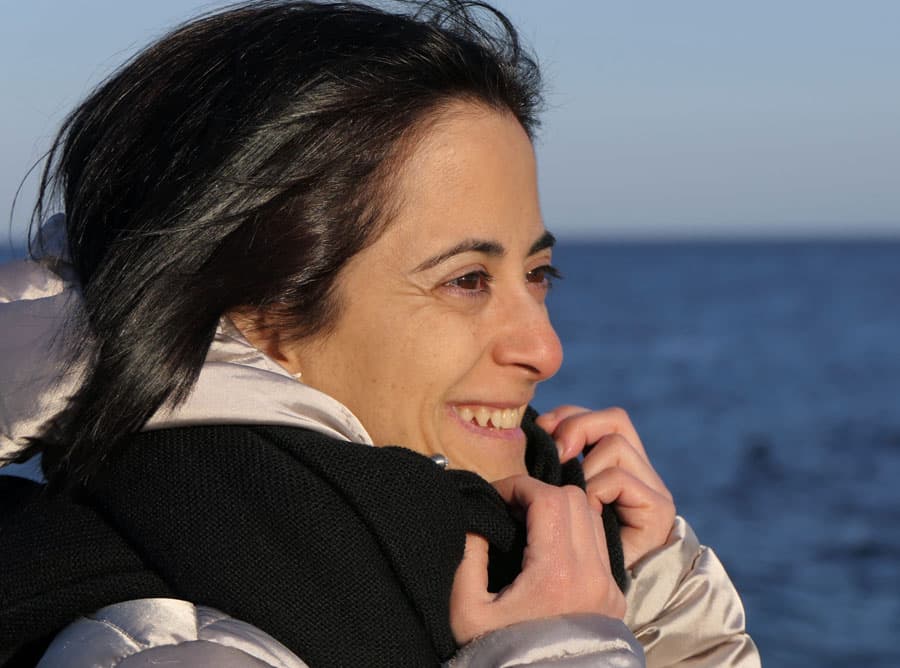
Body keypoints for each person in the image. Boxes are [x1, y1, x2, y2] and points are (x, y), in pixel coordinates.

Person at [0, 1, 760, 666]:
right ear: (261, 312)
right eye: (467, 280)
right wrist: (563, 646)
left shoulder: (434, 557)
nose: (545, 350)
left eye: (538, 273)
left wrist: (650, 590)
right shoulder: (168, 643)